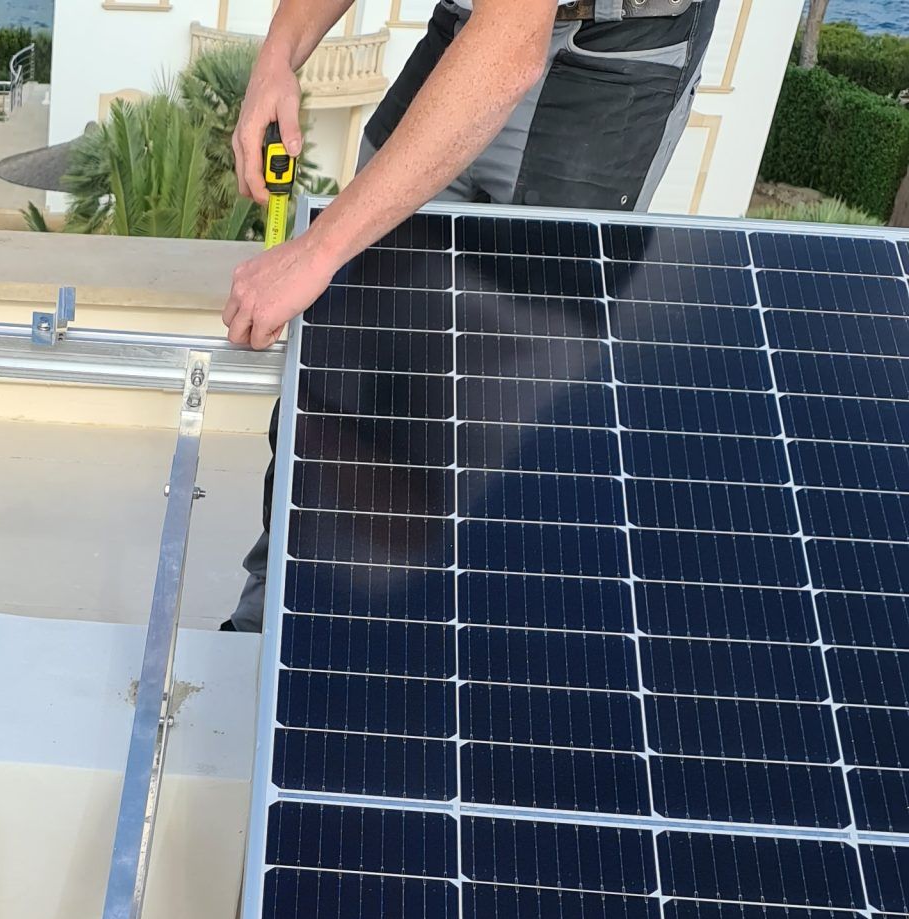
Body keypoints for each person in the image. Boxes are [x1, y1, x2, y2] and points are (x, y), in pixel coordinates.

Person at [222, 0, 723, 631]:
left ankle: (436, 646)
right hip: (472, 21)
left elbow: (512, 41)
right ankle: (280, 605)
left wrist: (317, 252)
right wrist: (277, 56)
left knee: (496, 397)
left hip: (612, 53)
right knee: (341, 353)